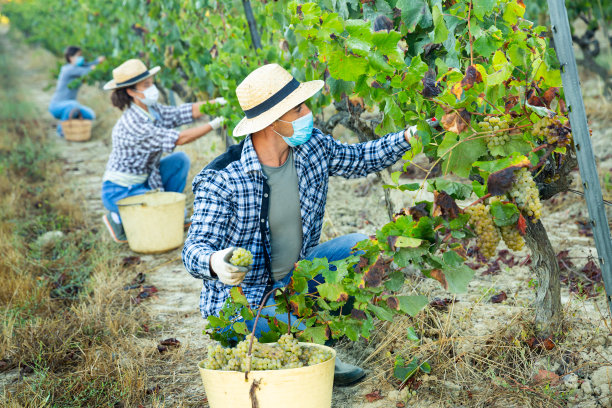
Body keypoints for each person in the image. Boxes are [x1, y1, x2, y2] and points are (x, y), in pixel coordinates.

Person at [182, 63, 421, 386]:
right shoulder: (223, 178)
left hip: (293, 283)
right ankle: (302, 356)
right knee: (287, 326)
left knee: (362, 250)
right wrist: (215, 263)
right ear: (271, 122)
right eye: (299, 108)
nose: (309, 112)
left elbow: (361, 158)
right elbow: (193, 249)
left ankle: (314, 350)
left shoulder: (311, 149)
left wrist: (409, 137)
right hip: (243, 311)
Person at [101, 58, 226, 243]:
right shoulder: (133, 123)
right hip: (119, 191)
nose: (153, 88)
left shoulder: (152, 109)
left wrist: (217, 103)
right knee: (168, 216)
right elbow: (180, 138)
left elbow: (181, 113)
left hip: (144, 181)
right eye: (146, 85)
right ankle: (117, 220)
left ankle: (166, 207)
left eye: (151, 83)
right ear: (130, 91)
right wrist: (214, 124)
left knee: (179, 161)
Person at [48, 46, 104, 136]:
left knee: (90, 115)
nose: (81, 58)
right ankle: (61, 130)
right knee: (73, 104)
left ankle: (71, 125)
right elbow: (88, 70)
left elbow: (87, 65)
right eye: (78, 55)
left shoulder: (75, 67)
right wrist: (97, 63)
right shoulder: (69, 69)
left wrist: (97, 62)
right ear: (70, 57)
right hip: (57, 106)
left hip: (69, 105)